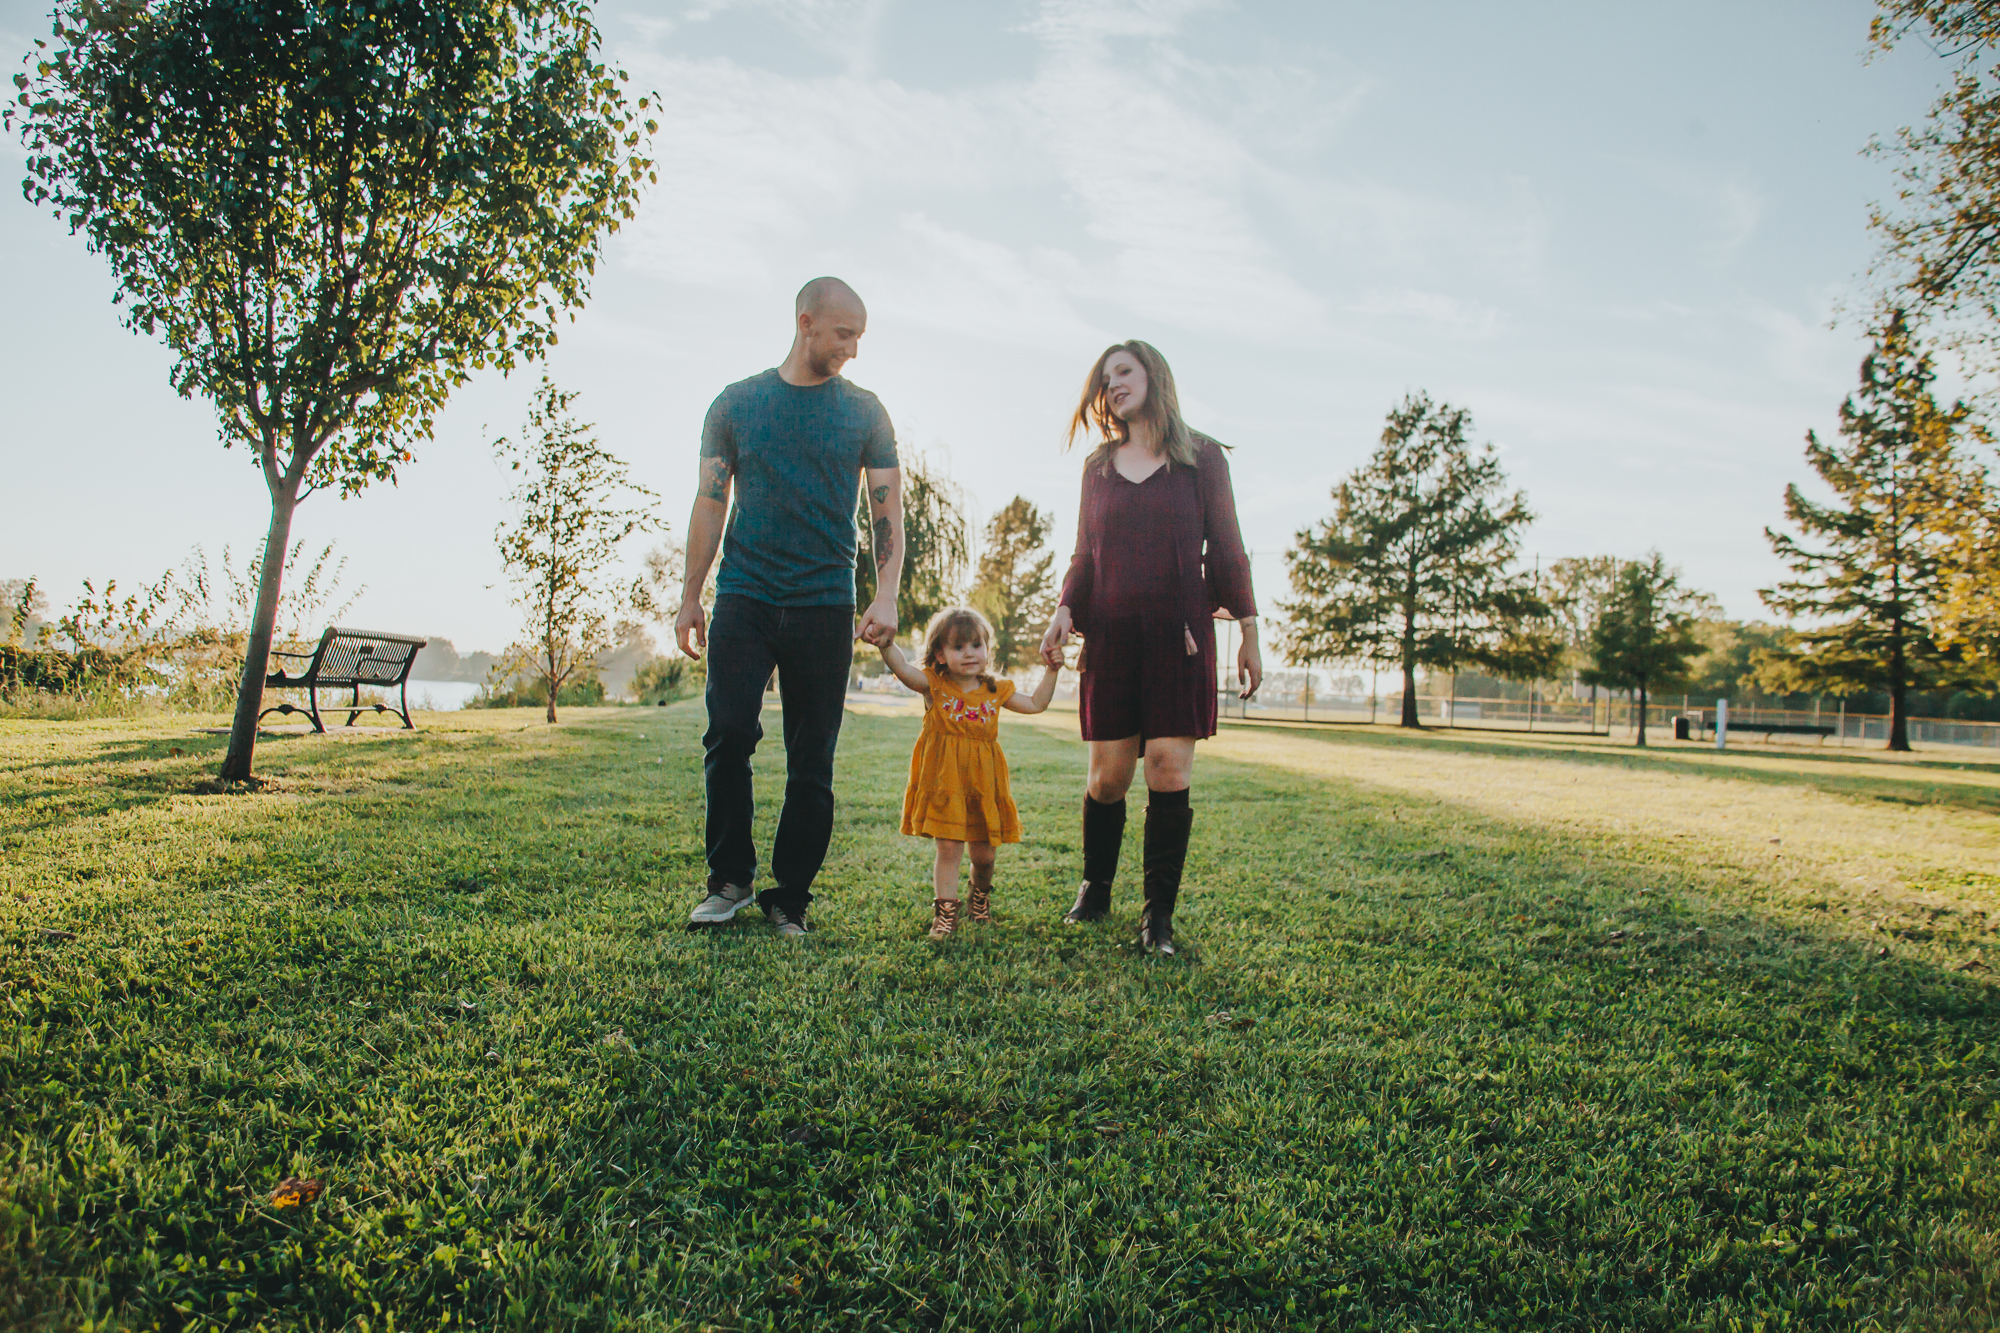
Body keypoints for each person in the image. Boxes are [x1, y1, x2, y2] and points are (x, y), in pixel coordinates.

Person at [675, 277, 904, 938]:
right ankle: (730, 881)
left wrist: (885, 591)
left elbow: (887, 506)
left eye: (859, 336)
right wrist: (692, 595)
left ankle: (790, 898)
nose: (854, 349)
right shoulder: (737, 404)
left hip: (823, 602)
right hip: (744, 594)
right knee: (727, 736)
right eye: (844, 334)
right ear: (806, 323)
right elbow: (710, 501)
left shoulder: (865, 412)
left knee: (813, 758)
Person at [1038, 340, 1262, 955]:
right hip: (1109, 637)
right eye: (1105, 378)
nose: (1113, 384)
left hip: (1179, 637)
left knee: (1167, 766)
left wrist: (1248, 629)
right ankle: (1096, 884)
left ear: (1153, 376)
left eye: (1124, 372)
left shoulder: (1202, 458)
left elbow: (1229, 546)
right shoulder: (1099, 467)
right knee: (1109, 778)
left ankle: (1157, 917)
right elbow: (1086, 553)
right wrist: (1064, 609)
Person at [876, 607, 1061, 939]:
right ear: (940, 655)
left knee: (984, 855)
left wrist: (1052, 669)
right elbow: (903, 669)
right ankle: (945, 914)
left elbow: (1036, 704)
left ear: (987, 649)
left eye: (976, 645)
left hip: (983, 783)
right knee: (948, 847)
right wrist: (886, 645)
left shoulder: (995, 690)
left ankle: (980, 899)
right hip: (946, 781)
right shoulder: (934, 685)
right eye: (958, 647)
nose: (969, 654)